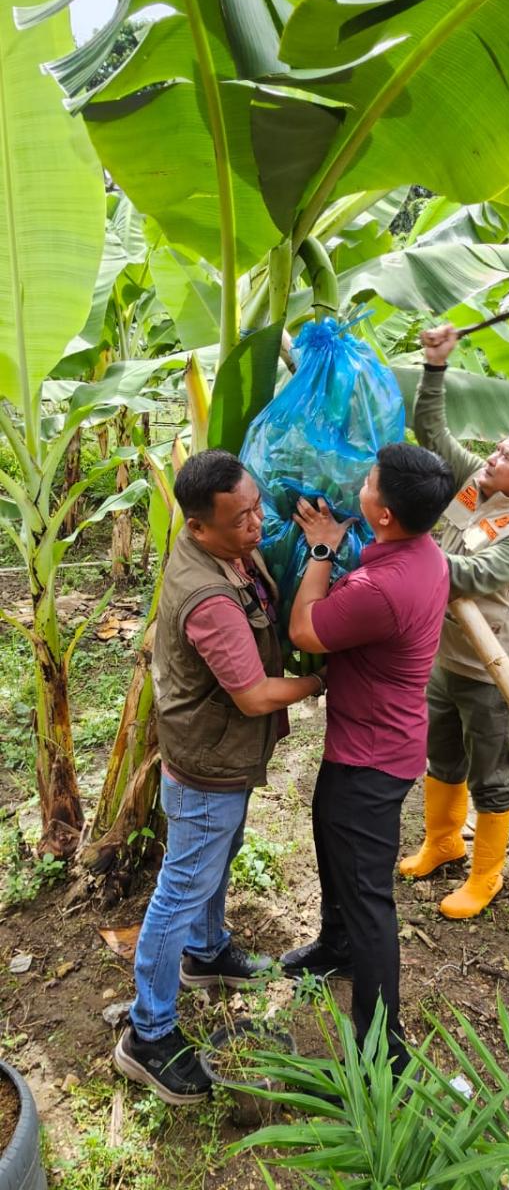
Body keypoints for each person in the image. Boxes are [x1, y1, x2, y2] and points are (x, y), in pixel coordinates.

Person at [114, 450, 326, 1105]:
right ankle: (147, 1035)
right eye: (241, 519)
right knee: (181, 887)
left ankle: (206, 952)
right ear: (200, 528)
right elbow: (255, 696)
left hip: (216, 755)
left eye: (257, 506)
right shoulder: (207, 596)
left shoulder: (226, 551)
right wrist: (325, 679)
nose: (256, 524)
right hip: (207, 761)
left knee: (216, 856)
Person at [279, 442, 455, 1074]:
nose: (364, 482)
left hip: (371, 757)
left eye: (371, 480)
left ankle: (383, 1046)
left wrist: (323, 552)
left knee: (369, 895)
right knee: (332, 842)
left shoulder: (381, 588)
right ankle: (336, 947)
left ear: (382, 512)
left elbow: (305, 630)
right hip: (374, 742)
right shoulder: (425, 554)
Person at [399, 324, 509, 919]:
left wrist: (400, 544)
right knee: (440, 751)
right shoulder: (481, 484)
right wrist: (435, 366)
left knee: (491, 772)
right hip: (447, 654)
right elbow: (432, 432)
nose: (493, 456)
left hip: (492, 671)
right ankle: (442, 840)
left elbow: (466, 576)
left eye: (506, 456)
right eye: (496, 448)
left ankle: (486, 874)